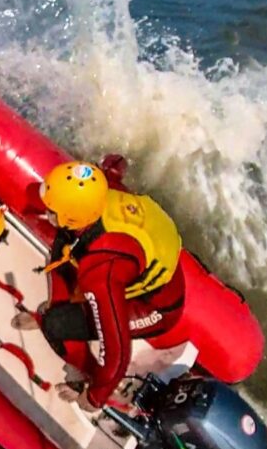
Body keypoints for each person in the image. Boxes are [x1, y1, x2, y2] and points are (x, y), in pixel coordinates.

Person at [15, 159, 190, 412]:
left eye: (51, 209)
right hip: (131, 269)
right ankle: (52, 313)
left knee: (57, 324)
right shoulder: (103, 191)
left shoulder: (101, 272)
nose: (46, 211)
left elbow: (116, 351)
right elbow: (113, 166)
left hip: (154, 308)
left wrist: (95, 398)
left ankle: (85, 375)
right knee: (61, 247)